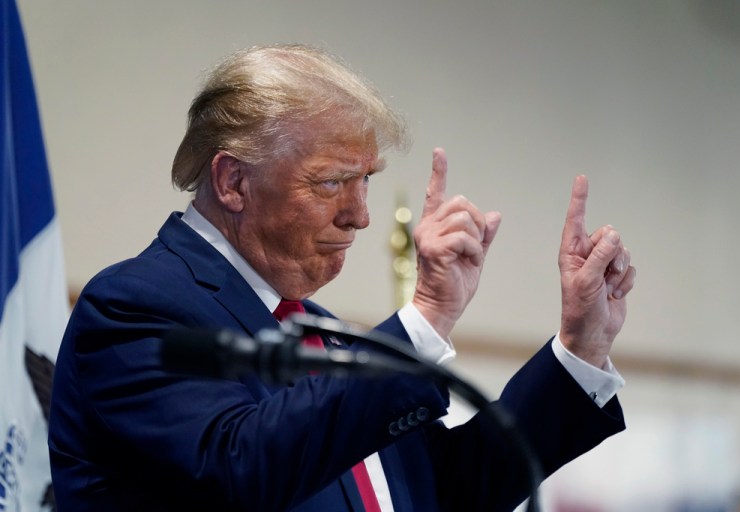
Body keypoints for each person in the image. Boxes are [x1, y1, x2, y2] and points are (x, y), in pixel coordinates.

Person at [48, 44, 635, 511]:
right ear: (232, 182)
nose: (360, 215)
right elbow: (239, 469)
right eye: (330, 182)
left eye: (367, 180)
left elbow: (445, 489)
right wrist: (424, 317)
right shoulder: (135, 307)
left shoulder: (320, 331)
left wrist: (579, 349)